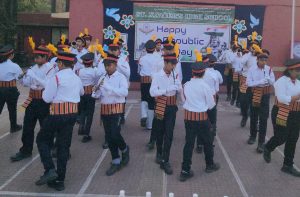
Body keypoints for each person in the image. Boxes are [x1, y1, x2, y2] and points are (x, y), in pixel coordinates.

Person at [35, 51, 83, 191]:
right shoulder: (76, 78)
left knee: (42, 140)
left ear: (61, 63)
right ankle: (60, 180)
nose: (56, 65)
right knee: (63, 146)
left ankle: (49, 169)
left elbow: (47, 98)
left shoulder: (56, 77)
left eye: (57, 63)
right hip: (72, 114)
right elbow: (81, 93)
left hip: (57, 114)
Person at [10, 46, 56, 162]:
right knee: (27, 126)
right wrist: (20, 79)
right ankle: (25, 150)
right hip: (32, 100)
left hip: (44, 101)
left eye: (38, 58)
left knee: (45, 127)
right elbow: (27, 83)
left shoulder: (51, 68)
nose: (36, 60)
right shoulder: (33, 67)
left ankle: (49, 148)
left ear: (45, 57)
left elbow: (47, 85)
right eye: (35, 57)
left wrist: (33, 75)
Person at [179, 53, 220, 182]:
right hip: (202, 118)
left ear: (193, 72)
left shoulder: (185, 85)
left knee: (189, 143)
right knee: (208, 142)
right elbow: (211, 105)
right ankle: (209, 165)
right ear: (203, 73)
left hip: (189, 118)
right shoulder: (205, 86)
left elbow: (183, 101)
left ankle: (185, 170)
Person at [92, 53, 130, 176]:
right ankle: (115, 160)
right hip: (105, 109)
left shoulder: (121, 77)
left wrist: (109, 88)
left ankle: (124, 149)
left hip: (117, 109)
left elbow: (124, 92)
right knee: (109, 136)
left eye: (110, 65)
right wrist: (95, 91)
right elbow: (98, 95)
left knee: (115, 134)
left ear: (115, 65)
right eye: (105, 65)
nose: (107, 67)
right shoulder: (102, 78)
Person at [263, 59, 300, 177]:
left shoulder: (298, 82)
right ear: (290, 70)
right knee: (281, 137)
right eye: (297, 70)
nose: (298, 72)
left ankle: (287, 165)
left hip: (296, 113)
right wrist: (298, 97)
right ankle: (268, 147)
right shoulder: (281, 82)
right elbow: (282, 98)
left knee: (293, 139)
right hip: (282, 111)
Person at [150, 53, 182, 175]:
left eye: (174, 64)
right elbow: (152, 92)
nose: (173, 66)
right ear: (165, 63)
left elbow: (179, 88)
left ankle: (165, 159)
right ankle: (159, 152)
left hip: (172, 106)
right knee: (159, 131)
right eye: (171, 64)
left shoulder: (175, 75)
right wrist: (167, 90)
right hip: (160, 104)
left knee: (169, 133)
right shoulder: (157, 76)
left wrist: (178, 87)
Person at [246, 51, 275, 152]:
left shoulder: (269, 69)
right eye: (262, 60)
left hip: (265, 95)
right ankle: (252, 136)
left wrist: (269, 80)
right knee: (254, 116)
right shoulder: (252, 69)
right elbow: (248, 83)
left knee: (263, 119)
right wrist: (260, 81)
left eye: (265, 60)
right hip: (255, 93)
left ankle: (261, 142)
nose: (264, 62)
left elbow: (273, 81)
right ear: (257, 60)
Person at [77, 52, 100, 143]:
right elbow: (97, 80)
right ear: (91, 62)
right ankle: (86, 134)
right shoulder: (94, 71)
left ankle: (81, 125)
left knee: (83, 111)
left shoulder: (79, 71)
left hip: (82, 93)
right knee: (90, 114)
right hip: (91, 93)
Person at [0, 45, 23, 133]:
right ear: (11, 55)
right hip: (10, 89)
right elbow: (20, 78)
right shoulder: (14, 65)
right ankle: (13, 127)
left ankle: (14, 126)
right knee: (12, 109)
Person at [138, 39, 159, 132]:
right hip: (154, 81)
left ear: (145, 49)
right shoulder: (158, 58)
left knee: (143, 98)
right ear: (154, 48)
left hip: (144, 81)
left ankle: (143, 115)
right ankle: (150, 125)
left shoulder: (142, 59)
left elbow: (138, 71)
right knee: (151, 102)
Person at [239, 42, 260, 127]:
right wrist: (249, 54)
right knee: (243, 101)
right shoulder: (247, 56)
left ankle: (256, 121)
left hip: (256, 83)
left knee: (256, 103)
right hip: (246, 81)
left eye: (255, 46)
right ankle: (244, 116)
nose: (253, 48)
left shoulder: (260, 56)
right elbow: (241, 62)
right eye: (252, 47)